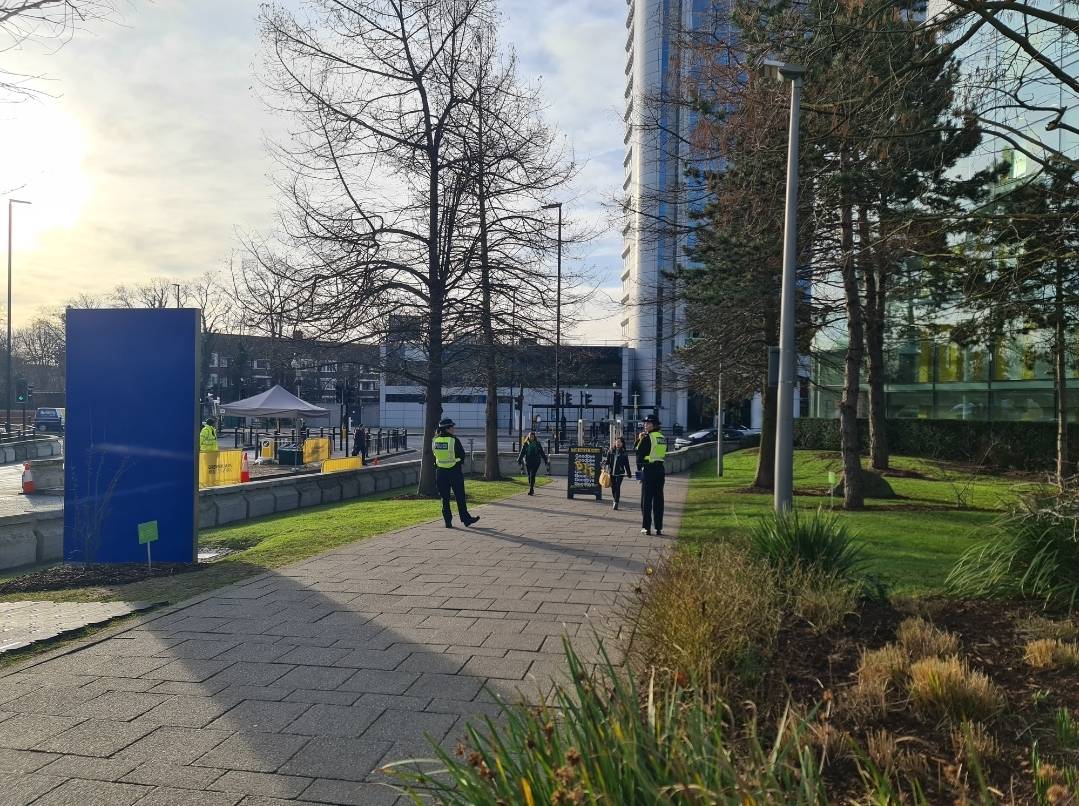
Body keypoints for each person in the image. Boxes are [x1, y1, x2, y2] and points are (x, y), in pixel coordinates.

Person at [432, 418, 479, 529]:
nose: (454, 428)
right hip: (454, 471)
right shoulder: (453, 440)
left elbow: (435, 455)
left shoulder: (435, 440)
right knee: (460, 496)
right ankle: (466, 520)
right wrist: (458, 462)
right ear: (447, 428)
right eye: (452, 426)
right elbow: (462, 455)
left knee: (445, 498)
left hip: (440, 472)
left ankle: (448, 522)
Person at [634, 413, 667, 535]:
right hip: (660, 470)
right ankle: (658, 527)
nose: (645, 425)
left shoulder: (647, 438)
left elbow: (638, 455)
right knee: (659, 499)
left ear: (654, 425)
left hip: (648, 470)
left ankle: (646, 527)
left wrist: (639, 476)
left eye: (647, 423)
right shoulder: (662, 437)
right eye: (645, 423)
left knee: (646, 500)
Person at [516, 431, 550, 496]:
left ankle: (531, 489)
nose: (531, 438)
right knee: (529, 476)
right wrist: (519, 459)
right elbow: (522, 452)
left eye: (532, 436)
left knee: (532, 475)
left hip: (536, 461)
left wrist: (545, 460)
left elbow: (542, 452)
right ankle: (531, 487)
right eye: (530, 436)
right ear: (528, 437)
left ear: (534, 437)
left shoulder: (537, 444)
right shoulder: (526, 444)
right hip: (528, 461)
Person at [605, 435, 631, 510]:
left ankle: (616, 501)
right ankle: (615, 498)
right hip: (611, 472)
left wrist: (629, 473)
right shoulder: (610, 451)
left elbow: (627, 464)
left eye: (619, 442)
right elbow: (607, 461)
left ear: (622, 443)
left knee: (617, 487)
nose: (618, 443)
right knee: (613, 487)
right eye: (617, 442)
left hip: (620, 473)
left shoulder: (624, 452)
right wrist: (605, 467)